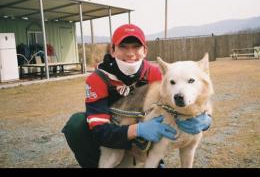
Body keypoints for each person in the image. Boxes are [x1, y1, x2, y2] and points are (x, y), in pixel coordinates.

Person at [62, 24, 212, 168]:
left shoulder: (158, 75)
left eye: (136, 47)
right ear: (112, 51)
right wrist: (138, 129)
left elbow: (187, 96)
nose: (130, 53)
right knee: (77, 124)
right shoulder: (98, 79)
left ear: (145, 50)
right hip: (113, 137)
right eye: (123, 47)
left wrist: (205, 119)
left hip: (144, 146)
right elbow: (100, 131)